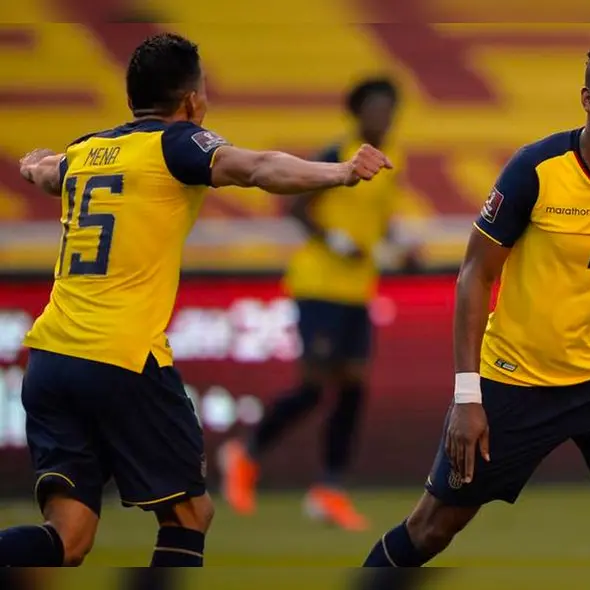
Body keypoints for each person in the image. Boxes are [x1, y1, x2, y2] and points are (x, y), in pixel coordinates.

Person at [2, 32, 391, 567]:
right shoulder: (178, 143)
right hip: (120, 357)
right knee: (189, 516)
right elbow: (258, 168)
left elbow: (47, 173)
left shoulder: (86, 151)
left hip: (49, 358)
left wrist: (32, 165)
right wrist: (341, 172)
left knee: (68, 537)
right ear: (191, 100)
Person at [361, 38, 590, 569]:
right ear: (588, 98)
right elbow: (474, 275)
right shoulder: (535, 168)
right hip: (515, 382)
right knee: (431, 529)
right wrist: (469, 397)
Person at [220, 77, 415, 530]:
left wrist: (399, 247)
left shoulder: (394, 160)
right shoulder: (337, 154)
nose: (382, 116)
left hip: (358, 288)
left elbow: (380, 220)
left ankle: (328, 489)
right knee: (312, 384)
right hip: (319, 283)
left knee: (353, 387)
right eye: (374, 108)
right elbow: (297, 209)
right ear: (357, 112)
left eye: (388, 108)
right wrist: (333, 239)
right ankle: (245, 454)